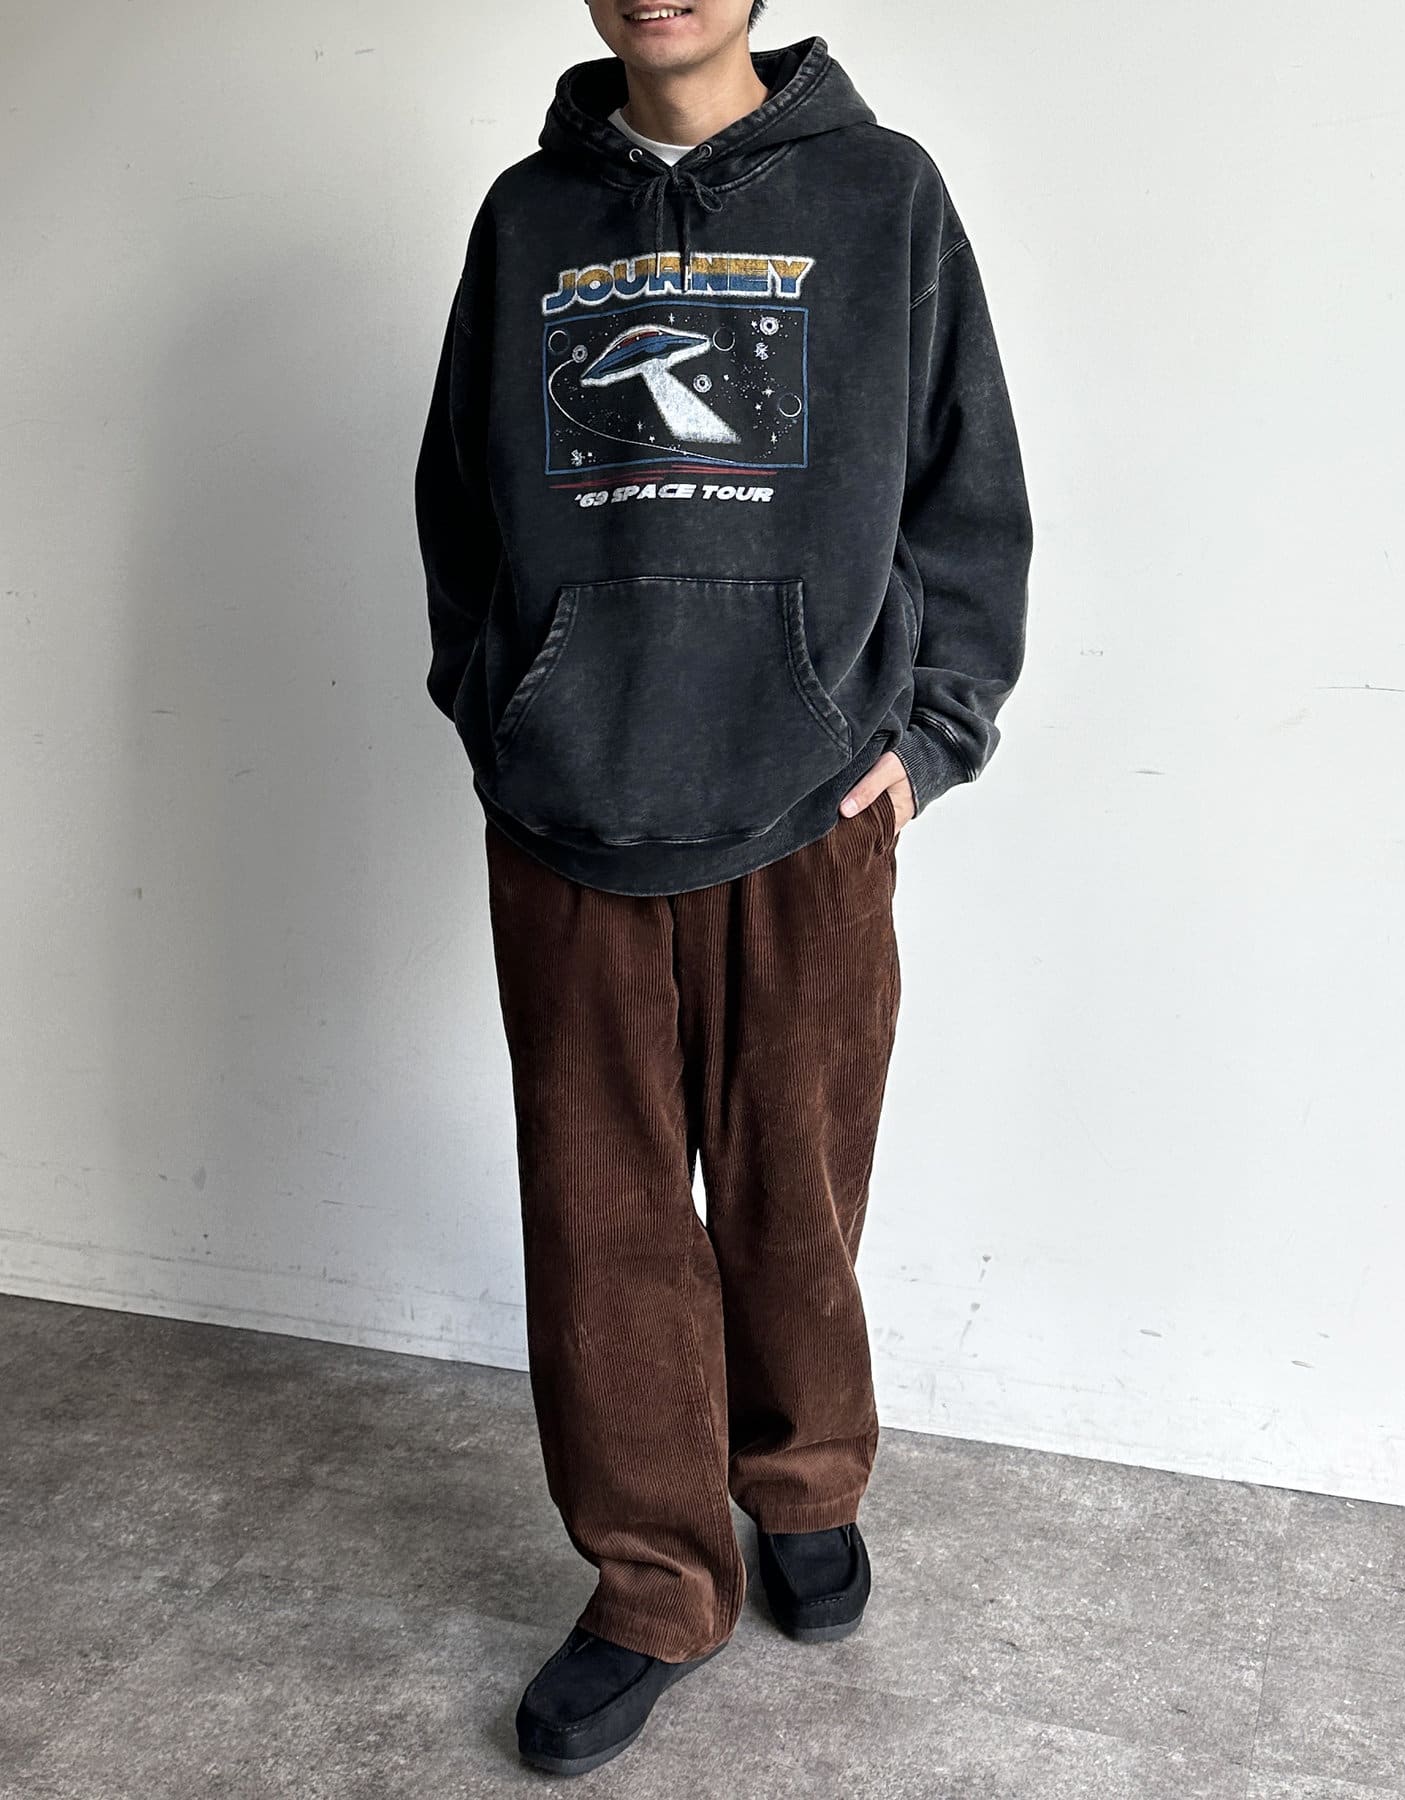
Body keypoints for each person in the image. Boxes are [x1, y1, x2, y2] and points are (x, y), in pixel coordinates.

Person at [415, 0, 1033, 1775]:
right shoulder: (529, 216)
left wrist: (934, 732)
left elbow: (966, 482)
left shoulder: (882, 193)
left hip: (810, 799)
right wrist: (501, 711)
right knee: (600, 1222)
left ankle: (804, 1480)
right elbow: (458, 498)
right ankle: (653, 1584)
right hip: (571, 809)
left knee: (795, 1186)